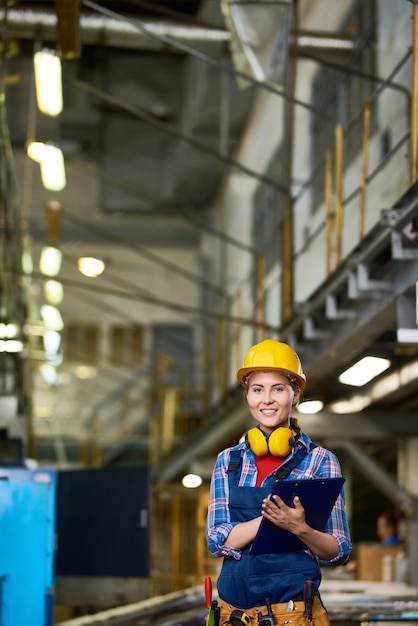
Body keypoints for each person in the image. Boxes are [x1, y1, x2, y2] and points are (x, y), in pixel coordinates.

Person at [206, 339, 351, 626]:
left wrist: (300, 529)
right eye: (257, 389)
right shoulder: (229, 460)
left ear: (295, 395)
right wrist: (272, 521)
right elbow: (216, 539)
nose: (267, 399)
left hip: (294, 615)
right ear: (248, 396)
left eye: (278, 389)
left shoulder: (321, 461)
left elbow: (338, 548)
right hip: (232, 614)